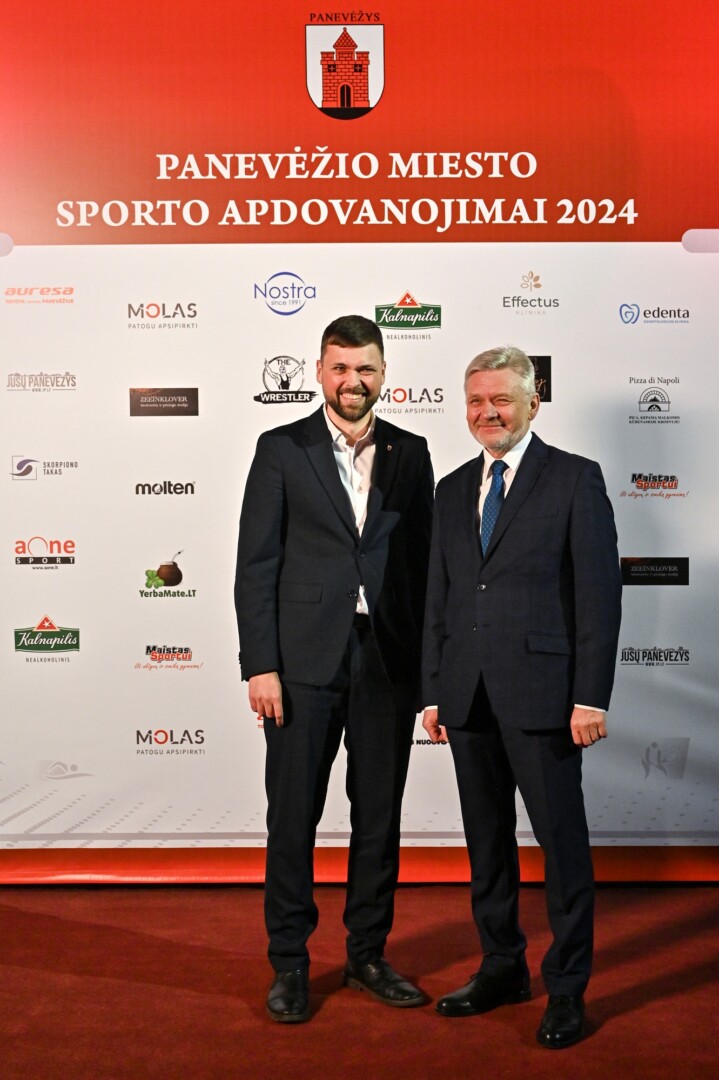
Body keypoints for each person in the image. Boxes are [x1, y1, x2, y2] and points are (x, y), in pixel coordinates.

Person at [235, 314, 434, 1023]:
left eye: (366, 368)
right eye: (341, 368)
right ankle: (289, 962)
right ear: (319, 371)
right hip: (300, 665)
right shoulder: (280, 448)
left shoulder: (412, 452)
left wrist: (430, 676)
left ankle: (367, 954)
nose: (354, 381)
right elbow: (256, 563)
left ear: (384, 375)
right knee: (292, 817)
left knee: (378, 816)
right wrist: (260, 665)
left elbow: (423, 569)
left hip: (386, 660)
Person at [422, 346, 621, 1048]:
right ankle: (501, 966)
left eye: (501, 400)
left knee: (561, 847)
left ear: (532, 403)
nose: (487, 413)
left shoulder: (574, 478)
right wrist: (433, 690)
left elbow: (598, 595)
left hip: (545, 697)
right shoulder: (451, 488)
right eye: (476, 401)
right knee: (487, 846)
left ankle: (566, 988)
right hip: (466, 696)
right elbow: (440, 596)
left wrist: (589, 696)